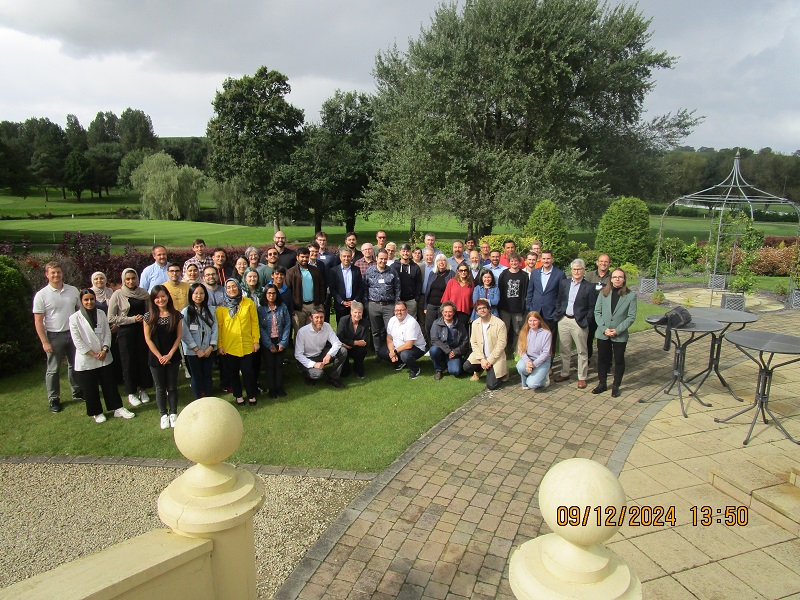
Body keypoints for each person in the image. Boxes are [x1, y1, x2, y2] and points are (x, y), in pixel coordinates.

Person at [69, 289, 135, 422]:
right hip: (87, 359)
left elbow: (107, 333)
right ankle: (96, 412)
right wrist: (93, 354)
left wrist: (104, 349)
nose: (89, 302)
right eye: (86, 300)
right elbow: (77, 341)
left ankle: (117, 408)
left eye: (91, 299)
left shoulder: (100, 313)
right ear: (81, 302)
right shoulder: (74, 318)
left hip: (104, 356)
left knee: (109, 384)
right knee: (90, 388)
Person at [33, 261, 82, 413]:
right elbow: (38, 320)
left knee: (75, 365)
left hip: (73, 333)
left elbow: (80, 311)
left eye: (58, 272)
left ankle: (77, 391)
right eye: (52, 273)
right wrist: (44, 341)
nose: (56, 275)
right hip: (54, 336)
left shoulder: (72, 290)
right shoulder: (42, 295)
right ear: (46, 275)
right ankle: (54, 399)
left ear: (62, 273)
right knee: (53, 370)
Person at [107, 268, 152, 407]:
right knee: (128, 362)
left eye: (133, 278)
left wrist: (144, 318)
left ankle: (142, 389)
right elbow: (111, 317)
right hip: (126, 332)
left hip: (142, 330)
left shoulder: (144, 293)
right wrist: (132, 319)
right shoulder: (118, 294)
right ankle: (131, 392)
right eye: (128, 279)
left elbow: (151, 311)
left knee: (142, 360)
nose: (131, 281)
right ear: (123, 280)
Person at [143, 285, 184, 429]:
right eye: (157, 297)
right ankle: (163, 414)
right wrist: (160, 356)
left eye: (163, 296)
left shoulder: (176, 315)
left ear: (168, 296)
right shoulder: (148, 317)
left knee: (172, 387)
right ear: (153, 300)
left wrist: (170, 354)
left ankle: (173, 413)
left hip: (172, 356)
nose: (160, 299)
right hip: (156, 358)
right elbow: (148, 339)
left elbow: (179, 336)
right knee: (160, 388)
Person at [593, 269, 637, 398]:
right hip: (603, 333)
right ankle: (602, 384)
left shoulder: (630, 296)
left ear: (624, 279)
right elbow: (597, 312)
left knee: (619, 360)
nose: (617, 279)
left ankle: (616, 386)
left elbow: (631, 317)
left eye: (620, 277)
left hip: (619, 334)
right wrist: (603, 328)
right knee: (602, 359)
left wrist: (617, 330)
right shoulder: (604, 293)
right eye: (615, 277)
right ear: (610, 279)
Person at [553, 258, 597, 389]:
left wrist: (586, 320)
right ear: (571, 270)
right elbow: (559, 300)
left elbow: (591, 307)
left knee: (582, 351)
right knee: (564, 349)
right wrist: (559, 313)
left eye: (579, 269)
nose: (576, 271)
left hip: (579, 322)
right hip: (564, 320)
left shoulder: (589, 287)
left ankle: (582, 377)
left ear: (583, 271)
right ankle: (565, 372)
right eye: (574, 269)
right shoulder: (564, 283)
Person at [216, 278, 260, 406]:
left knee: (248, 372)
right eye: (228, 287)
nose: (231, 289)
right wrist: (220, 345)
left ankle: (251, 395)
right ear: (225, 290)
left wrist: (255, 341)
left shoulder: (248, 303)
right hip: (230, 346)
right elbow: (219, 327)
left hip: (247, 344)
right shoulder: (221, 308)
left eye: (234, 286)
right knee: (233, 373)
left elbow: (254, 323)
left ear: (239, 287)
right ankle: (238, 395)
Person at [181, 283, 218, 401]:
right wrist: (196, 349)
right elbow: (184, 332)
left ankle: (207, 396)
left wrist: (211, 347)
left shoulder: (211, 310)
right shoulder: (186, 312)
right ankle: (198, 398)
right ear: (191, 295)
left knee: (207, 373)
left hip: (208, 349)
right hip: (193, 351)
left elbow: (215, 328)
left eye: (201, 293)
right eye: (196, 293)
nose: (199, 296)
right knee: (196, 375)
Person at [294, 307, 347, 388]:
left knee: (343, 351)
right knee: (319, 374)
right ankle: (307, 374)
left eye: (321, 317)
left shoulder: (327, 326)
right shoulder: (302, 332)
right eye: (316, 317)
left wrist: (329, 354)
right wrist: (314, 364)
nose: (319, 320)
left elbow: (337, 342)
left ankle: (333, 378)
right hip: (307, 358)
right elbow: (298, 354)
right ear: (311, 318)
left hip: (320, 354)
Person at [526, 250, 565, 355]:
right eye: (544, 258)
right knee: (534, 339)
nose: (546, 261)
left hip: (551, 313)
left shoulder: (560, 274)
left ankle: (549, 366)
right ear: (540, 259)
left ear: (552, 259)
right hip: (536, 312)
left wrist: (557, 312)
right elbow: (530, 292)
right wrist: (529, 308)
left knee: (550, 340)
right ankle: (535, 362)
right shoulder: (535, 273)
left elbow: (562, 295)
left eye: (548, 258)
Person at [463, 298, 508, 390]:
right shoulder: (475, 323)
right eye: (479, 309)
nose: (482, 310)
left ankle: (501, 374)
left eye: (484, 307)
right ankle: (481, 369)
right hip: (481, 357)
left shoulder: (500, 324)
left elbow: (501, 345)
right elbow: (473, 342)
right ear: (476, 312)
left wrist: (489, 361)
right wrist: (482, 359)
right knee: (466, 366)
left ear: (489, 309)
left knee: (491, 386)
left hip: (495, 357)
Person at [363, 249, 401, 352]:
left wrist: (396, 304)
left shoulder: (392, 271)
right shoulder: (369, 272)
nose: (383, 261)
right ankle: (378, 352)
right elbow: (365, 288)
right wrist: (366, 304)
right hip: (373, 305)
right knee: (375, 331)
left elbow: (397, 288)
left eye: (385, 259)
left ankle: (391, 351)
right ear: (376, 258)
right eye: (381, 258)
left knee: (390, 330)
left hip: (389, 306)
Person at [377, 301, 426, 379]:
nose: (399, 312)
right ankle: (401, 362)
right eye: (396, 310)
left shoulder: (411, 322)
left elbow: (409, 345)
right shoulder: (392, 320)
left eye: (401, 310)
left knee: (405, 355)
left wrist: (395, 352)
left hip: (416, 348)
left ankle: (415, 370)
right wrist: (392, 351)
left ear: (406, 311)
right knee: (381, 352)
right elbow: (389, 338)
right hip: (399, 347)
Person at [258, 284, 291, 398]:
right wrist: (269, 345)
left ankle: (279, 387)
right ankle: (272, 389)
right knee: (269, 366)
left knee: (279, 365)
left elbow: (287, 324)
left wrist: (283, 343)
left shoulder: (283, 307)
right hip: (268, 341)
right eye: (269, 293)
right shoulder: (261, 309)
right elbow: (260, 328)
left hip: (280, 339)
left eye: (273, 293)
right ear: (265, 295)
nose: (271, 296)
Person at [286, 247, 326, 334]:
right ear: (297, 257)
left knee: (313, 330)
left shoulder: (315, 270)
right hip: (299, 307)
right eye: (302, 257)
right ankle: (299, 348)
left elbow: (322, 286)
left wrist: (321, 302)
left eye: (306, 257)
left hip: (313, 305)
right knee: (299, 331)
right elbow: (288, 291)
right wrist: (291, 307)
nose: (304, 259)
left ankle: (312, 348)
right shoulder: (291, 272)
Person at [497, 253, 529, 357]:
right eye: (512, 261)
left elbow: (526, 291)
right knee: (504, 331)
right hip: (505, 308)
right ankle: (503, 350)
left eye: (516, 261)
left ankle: (517, 350)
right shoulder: (504, 274)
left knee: (517, 331)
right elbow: (500, 289)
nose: (514, 263)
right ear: (509, 262)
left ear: (519, 262)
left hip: (518, 309)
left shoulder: (524, 276)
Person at [429, 301, 469, 380]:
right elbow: (434, 339)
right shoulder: (436, 323)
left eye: (450, 312)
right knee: (433, 350)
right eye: (445, 312)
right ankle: (438, 370)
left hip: (454, 352)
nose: (447, 314)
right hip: (441, 350)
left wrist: (455, 352)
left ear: (454, 312)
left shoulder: (460, 325)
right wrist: (447, 351)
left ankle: (450, 364)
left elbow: (465, 341)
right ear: (442, 312)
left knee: (455, 371)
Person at [584, 253, 612, 360]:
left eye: (606, 262)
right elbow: (585, 290)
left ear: (609, 263)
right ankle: (586, 361)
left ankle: (606, 363)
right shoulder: (590, 275)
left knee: (605, 338)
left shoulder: (612, 277)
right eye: (601, 261)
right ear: (597, 262)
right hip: (590, 311)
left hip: (605, 312)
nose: (603, 263)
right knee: (588, 337)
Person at [515, 311, 552, 390]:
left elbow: (546, 353)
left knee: (532, 384)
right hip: (529, 359)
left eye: (535, 320)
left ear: (539, 321)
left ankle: (544, 379)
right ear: (527, 321)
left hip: (542, 361)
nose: (532, 323)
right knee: (520, 366)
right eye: (530, 321)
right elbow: (521, 350)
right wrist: (528, 362)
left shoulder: (547, 333)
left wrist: (533, 365)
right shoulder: (524, 332)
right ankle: (527, 379)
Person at [330, 248, 363, 323]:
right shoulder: (334, 271)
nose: (346, 258)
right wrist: (341, 301)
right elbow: (332, 288)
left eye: (348, 256)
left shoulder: (356, 270)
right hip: (341, 305)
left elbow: (360, 286)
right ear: (340, 257)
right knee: (342, 328)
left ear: (351, 257)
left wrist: (354, 301)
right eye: (344, 256)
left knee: (355, 326)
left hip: (354, 304)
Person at [424, 254, 454, 338]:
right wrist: (425, 306)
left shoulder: (451, 274)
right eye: (439, 260)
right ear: (436, 262)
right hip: (431, 305)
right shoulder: (432, 273)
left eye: (443, 260)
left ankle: (441, 347)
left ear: (446, 262)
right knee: (429, 326)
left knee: (442, 327)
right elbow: (427, 290)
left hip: (443, 306)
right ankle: (430, 346)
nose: (441, 262)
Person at [337, 301, 369, 379]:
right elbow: (340, 337)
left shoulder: (365, 322)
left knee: (362, 350)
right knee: (345, 373)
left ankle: (358, 369)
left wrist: (351, 343)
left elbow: (364, 341)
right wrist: (355, 342)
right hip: (344, 347)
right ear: (351, 312)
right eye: (355, 312)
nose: (357, 315)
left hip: (356, 348)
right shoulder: (343, 320)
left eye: (359, 312)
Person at [392, 243, 423, 319]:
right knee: (398, 320)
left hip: (411, 300)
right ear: (399, 252)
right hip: (398, 300)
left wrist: (416, 298)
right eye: (403, 251)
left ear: (410, 253)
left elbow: (419, 283)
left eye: (407, 251)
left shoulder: (415, 267)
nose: (405, 253)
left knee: (411, 321)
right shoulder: (393, 267)